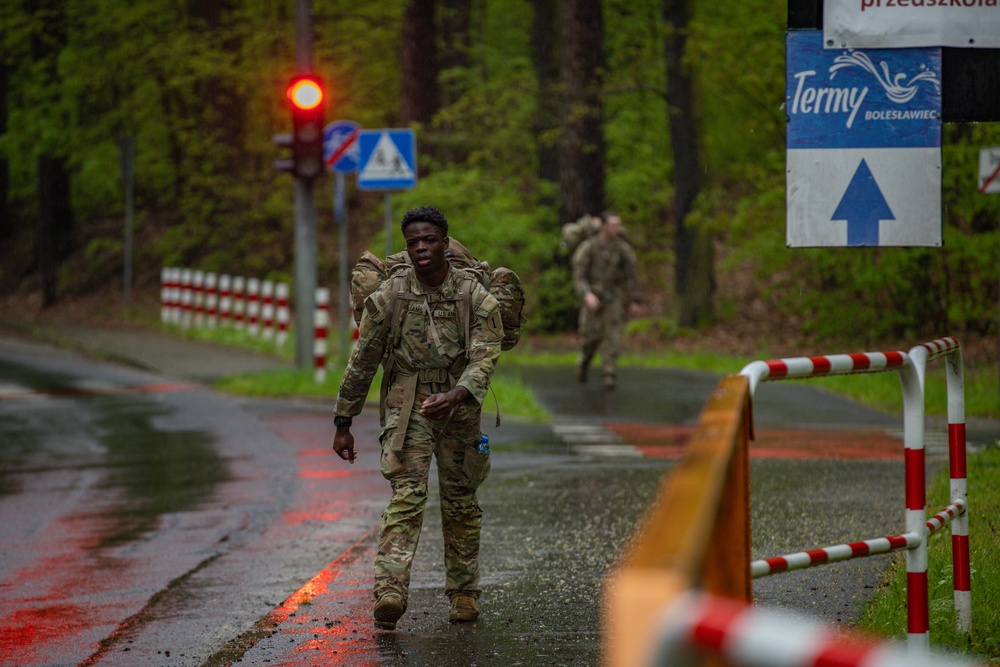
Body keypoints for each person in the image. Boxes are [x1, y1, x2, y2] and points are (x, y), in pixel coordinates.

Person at [331, 205, 504, 631]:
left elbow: (485, 356)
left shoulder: (472, 295)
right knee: (406, 495)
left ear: (445, 243)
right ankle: (390, 591)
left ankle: (464, 593)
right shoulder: (392, 295)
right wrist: (343, 421)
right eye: (413, 243)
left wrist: (457, 394)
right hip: (407, 404)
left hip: (460, 404)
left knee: (461, 500)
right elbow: (364, 357)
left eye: (429, 240)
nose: (421, 249)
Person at [571, 210, 641, 390]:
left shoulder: (622, 249)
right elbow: (579, 275)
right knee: (591, 337)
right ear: (603, 226)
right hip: (593, 296)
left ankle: (609, 374)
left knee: (613, 336)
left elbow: (631, 275)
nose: (617, 228)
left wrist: (635, 299)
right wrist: (587, 294)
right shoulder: (589, 247)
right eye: (613, 225)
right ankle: (584, 363)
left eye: (618, 225)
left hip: (613, 298)